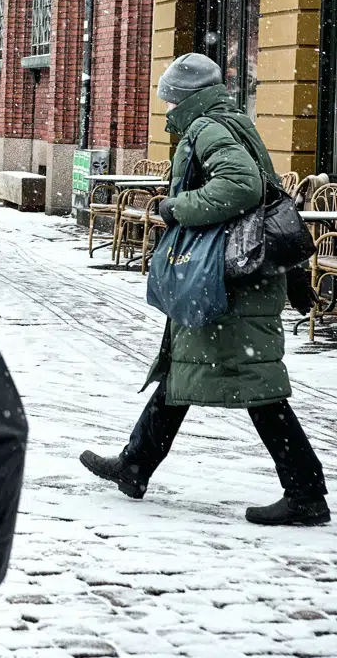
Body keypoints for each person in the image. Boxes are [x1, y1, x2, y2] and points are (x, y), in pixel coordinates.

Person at [81, 53, 328, 526]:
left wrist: (177, 208)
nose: (167, 106)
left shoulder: (208, 129)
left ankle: (306, 492)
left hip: (235, 277)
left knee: (256, 384)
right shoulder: (230, 121)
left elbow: (242, 188)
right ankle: (135, 464)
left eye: (170, 97)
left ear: (185, 97)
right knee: (183, 369)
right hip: (239, 272)